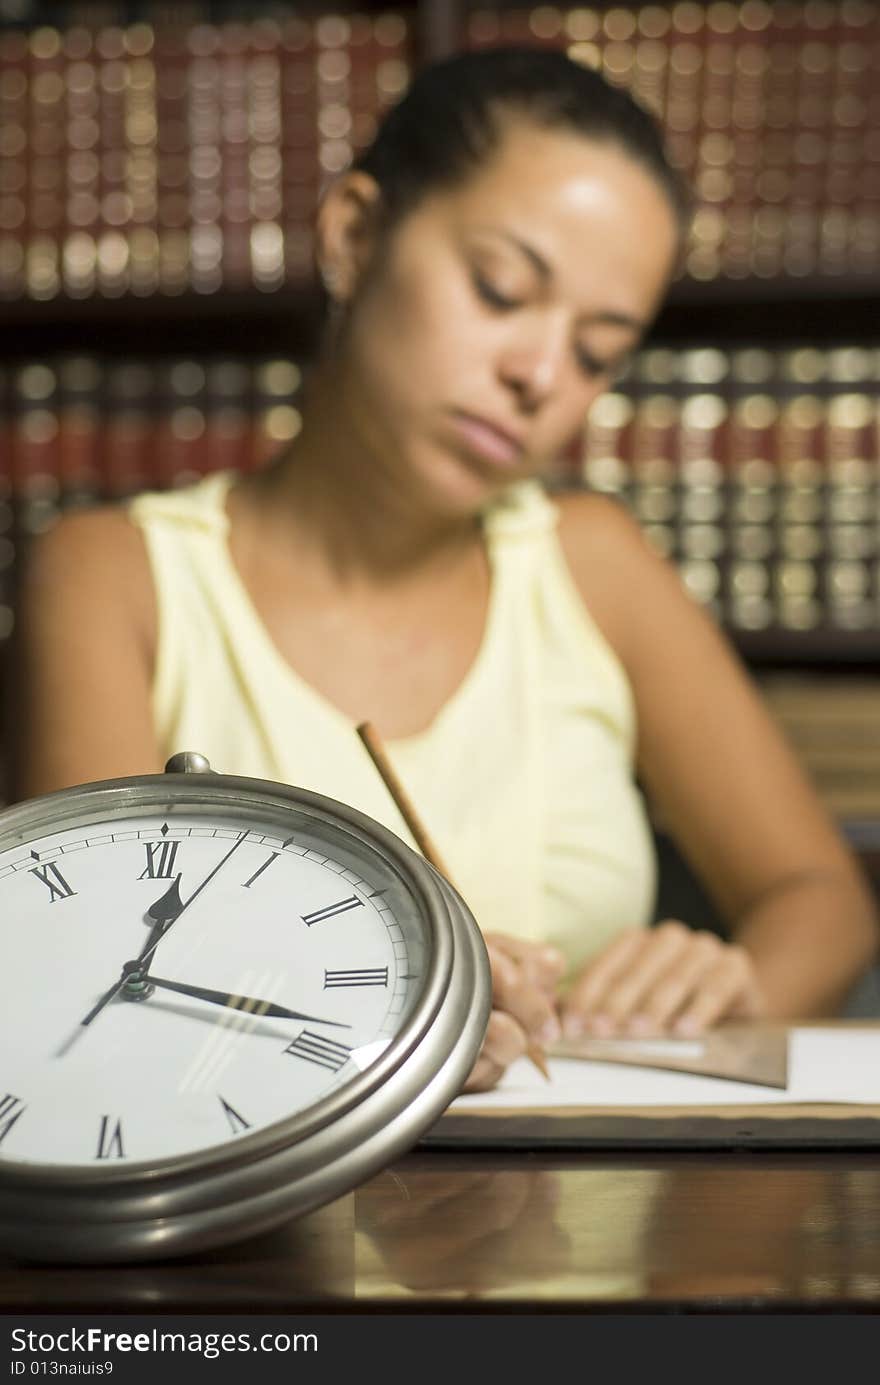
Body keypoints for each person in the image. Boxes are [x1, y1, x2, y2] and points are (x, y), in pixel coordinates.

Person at [8, 48, 878, 1093]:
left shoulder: (591, 562)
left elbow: (820, 900)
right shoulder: (115, 578)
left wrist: (727, 982)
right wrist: (413, 1010)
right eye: (500, 289)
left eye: (599, 351)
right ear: (354, 235)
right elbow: (76, 983)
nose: (541, 375)